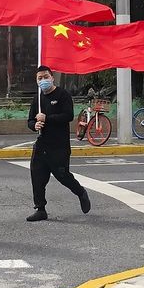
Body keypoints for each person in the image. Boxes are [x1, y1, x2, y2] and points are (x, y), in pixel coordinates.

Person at [26, 66, 91, 222]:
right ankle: (40, 208)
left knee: (63, 176)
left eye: (45, 77)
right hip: (41, 145)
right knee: (37, 176)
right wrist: (34, 125)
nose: (43, 80)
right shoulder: (38, 98)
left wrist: (47, 118)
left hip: (59, 146)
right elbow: (30, 120)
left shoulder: (62, 95)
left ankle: (80, 192)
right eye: (39, 78)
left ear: (52, 77)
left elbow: (68, 116)